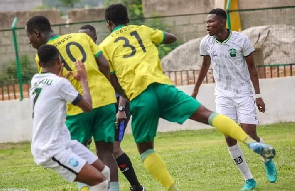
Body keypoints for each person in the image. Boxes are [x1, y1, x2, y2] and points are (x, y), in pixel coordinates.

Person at [99, 3, 276, 191]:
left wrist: (124, 93)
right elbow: (171, 38)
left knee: (146, 150)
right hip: (164, 88)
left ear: (109, 24)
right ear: (128, 20)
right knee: (208, 115)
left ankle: (173, 189)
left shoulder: (105, 46)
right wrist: (154, 39)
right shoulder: (142, 30)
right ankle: (250, 149)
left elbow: (110, 78)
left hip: (140, 97)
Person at [26, 16, 119, 191]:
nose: (29, 41)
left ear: (37, 33)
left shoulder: (43, 59)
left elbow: (51, 85)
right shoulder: (82, 37)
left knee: (80, 157)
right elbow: (104, 64)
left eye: (29, 36)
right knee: (106, 153)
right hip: (105, 99)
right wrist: (102, 84)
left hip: (77, 108)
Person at [191, 8, 277, 191]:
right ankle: (249, 180)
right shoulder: (206, 42)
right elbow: (205, 66)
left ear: (222, 23)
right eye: (206, 22)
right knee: (229, 136)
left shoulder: (241, 40)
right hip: (223, 94)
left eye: (211, 22)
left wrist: (258, 96)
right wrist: (196, 90)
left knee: (249, 134)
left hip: (243, 92)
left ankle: (266, 157)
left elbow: (253, 69)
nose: (207, 25)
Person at [78, 24, 146, 191]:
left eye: (85, 38)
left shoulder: (105, 54)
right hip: (100, 108)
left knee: (114, 149)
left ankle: (135, 186)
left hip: (117, 106)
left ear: (94, 39)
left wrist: (121, 109)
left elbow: (123, 81)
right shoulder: (83, 61)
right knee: (100, 150)